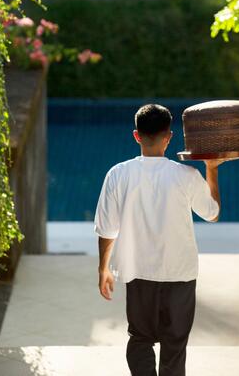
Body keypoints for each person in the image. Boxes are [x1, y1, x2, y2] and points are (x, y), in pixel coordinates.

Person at [94, 103, 225, 376]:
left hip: (138, 272)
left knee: (140, 339)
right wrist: (211, 168)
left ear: (136, 135)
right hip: (180, 273)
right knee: (174, 344)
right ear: (169, 137)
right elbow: (212, 214)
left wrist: (103, 269)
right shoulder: (186, 175)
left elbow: (107, 229)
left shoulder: (117, 174)